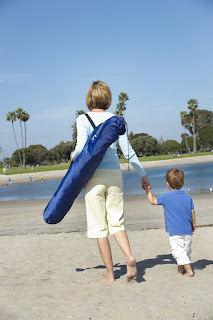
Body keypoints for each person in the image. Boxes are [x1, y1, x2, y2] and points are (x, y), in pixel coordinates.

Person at [71, 80, 151, 282]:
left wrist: (72, 156)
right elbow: (128, 152)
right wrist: (143, 174)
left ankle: (110, 274)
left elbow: (81, 148)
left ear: (89, 98)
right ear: (108, 98)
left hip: (93, 177)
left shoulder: (83, 119)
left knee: (100, 228)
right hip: (114, 175)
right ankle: (129, 256)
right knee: (117, 222)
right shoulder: (116, 120)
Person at [145, 168, 196, 277]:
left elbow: (153, 201)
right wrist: (193, 224)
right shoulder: (188, 197)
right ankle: (181, 267)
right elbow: (192, 212)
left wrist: (147, 191)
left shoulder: (166, 197)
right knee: (186, 250)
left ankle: (189, 271)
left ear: (168, 184)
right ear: (182, 183)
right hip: (187, 230)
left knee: (178, 252)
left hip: (175, 231)